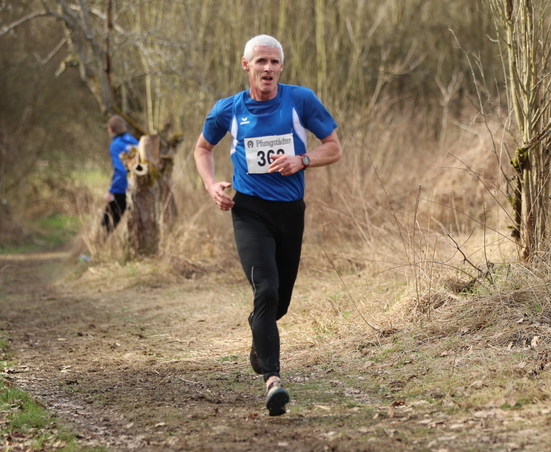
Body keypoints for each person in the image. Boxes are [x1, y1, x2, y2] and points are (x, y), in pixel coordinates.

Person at [193, 34, 342, 416]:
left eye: (274, 62)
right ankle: (273, 380)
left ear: (281, 67)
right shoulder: (228, 109)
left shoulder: (300, 100)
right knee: (267, 289)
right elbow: (202, 148)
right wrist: (211, 185)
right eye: (261, 61)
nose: (268, 68)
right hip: (249, 211)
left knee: (279, 302)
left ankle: (259, 329)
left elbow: (334, 147)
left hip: (290, 211)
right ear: (246, 65)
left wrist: (302, 160)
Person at [102, 115, 139, 233]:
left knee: (106, 226)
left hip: (122, 189)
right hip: (139, 189)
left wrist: (112, 191)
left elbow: (121, 171)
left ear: (110, 130)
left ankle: (99, 244)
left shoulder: (116, 145)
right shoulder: (134, 141)